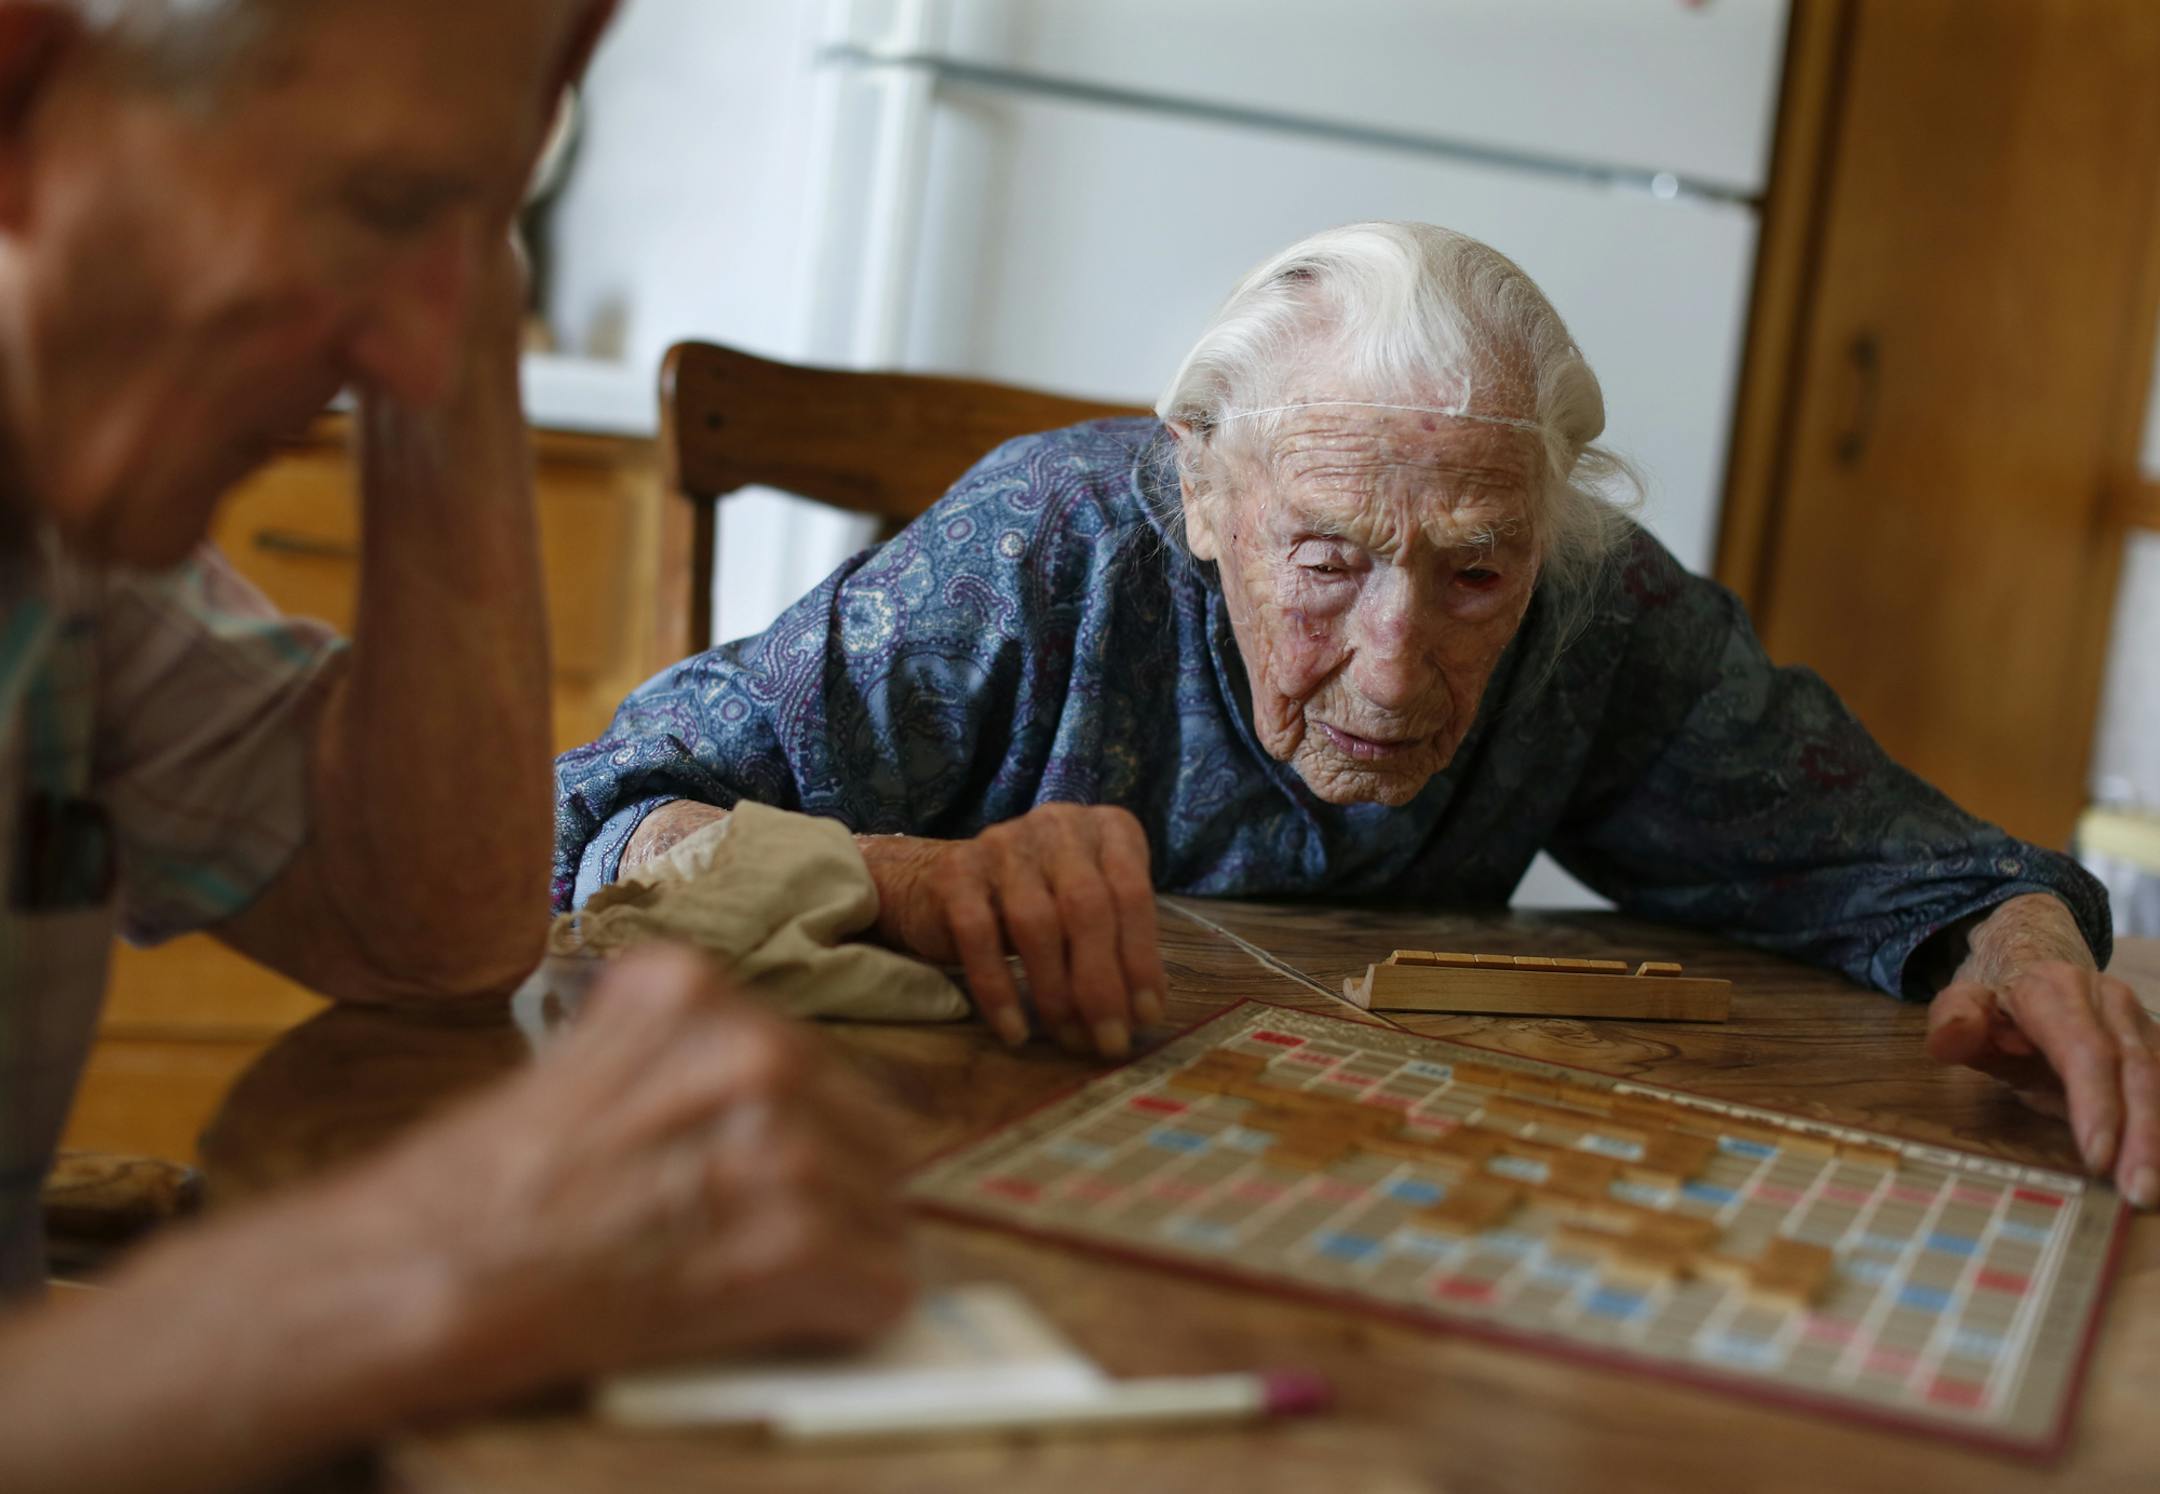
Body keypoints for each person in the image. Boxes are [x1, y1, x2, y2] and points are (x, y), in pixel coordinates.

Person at [557, 220, 2158, 1208]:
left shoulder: (1597, 612)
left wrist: (2015, 936)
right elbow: (609, 816)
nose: (1394, 670)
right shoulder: (1040, 550)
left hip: (1329, 1184)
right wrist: (893, 875)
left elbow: (1895, 861)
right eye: (1326, 560)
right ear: (1200, 486)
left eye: (1475, 575)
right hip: (920, 1176)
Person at [0, 3, 907, 1490]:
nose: (418, 353)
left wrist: (462, 275)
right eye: (381, 199)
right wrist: (396, 1272)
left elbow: (423, 926)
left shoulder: (71, 550)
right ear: (21, 103)